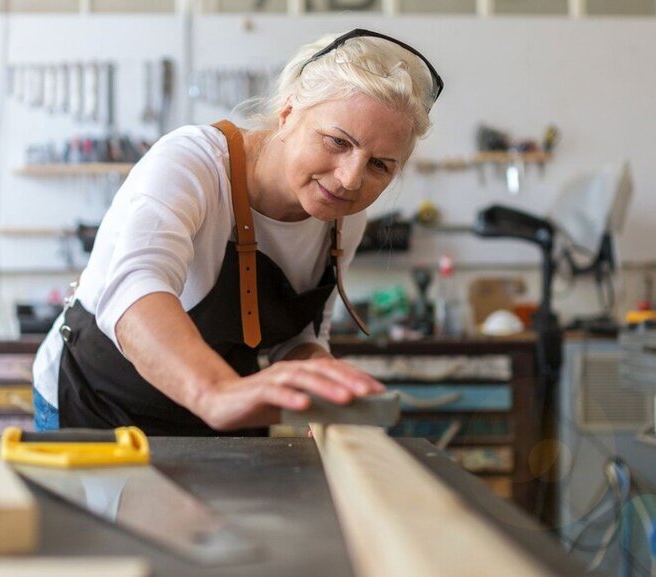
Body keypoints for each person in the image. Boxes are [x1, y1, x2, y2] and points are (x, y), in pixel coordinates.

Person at [31, 29, 444, 435]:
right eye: (337, 141)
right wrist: (216, 392)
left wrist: (321, 381)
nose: (351, 179)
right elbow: (134, 289)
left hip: (223, 417)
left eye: (380, 165)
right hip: (100, 405)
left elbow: (300, 334)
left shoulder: (344, 214)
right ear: (287, 115)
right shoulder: (193, 162)